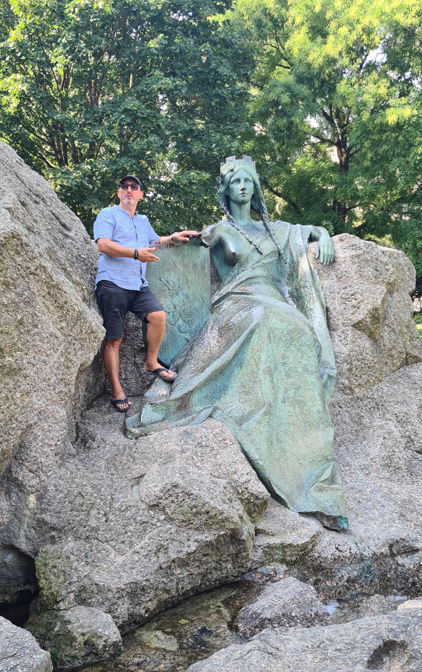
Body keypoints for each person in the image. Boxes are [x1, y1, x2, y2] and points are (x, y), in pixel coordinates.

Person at [125, 156, 348, 531]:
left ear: (255, 187)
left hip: (274, 301)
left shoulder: (278, 229)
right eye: (236, 182)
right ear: (226, 191)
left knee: (296, 330)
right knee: (262, 321)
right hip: (238, 303)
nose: (242, 186)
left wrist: (322, 233)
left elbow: (305, 232)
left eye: (248, 180)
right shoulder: (217, 231)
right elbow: (176, 250)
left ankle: (309, 468)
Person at [94, 175, 198, 412]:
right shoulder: (107, 215)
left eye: (134, 187)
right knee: (114, 339)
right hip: (112, 283)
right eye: (124, 187)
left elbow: (154, 240)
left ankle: (151, 363)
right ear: (119, 193)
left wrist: (173, 238)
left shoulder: (142, 220)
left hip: (138, 285)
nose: (129, 190)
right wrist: (134, 254)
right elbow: (103, 245)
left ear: (140, 195)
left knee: (158, 316)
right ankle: (117, 391)